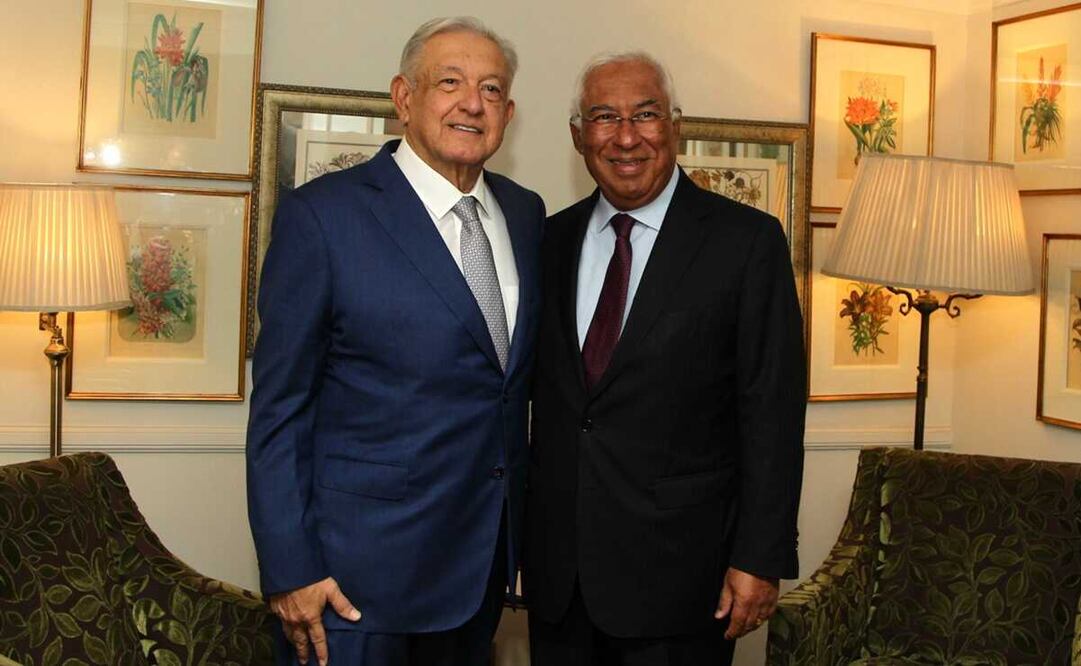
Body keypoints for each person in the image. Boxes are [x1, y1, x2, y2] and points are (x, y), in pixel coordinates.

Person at [246, 16, 545, 666]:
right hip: (352, 586)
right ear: (404, 98)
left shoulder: (525, 215)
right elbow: (279, 411)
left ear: (509, 113)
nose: (472, 103)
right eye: (450, 82)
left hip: (480, 575)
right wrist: (290, 568)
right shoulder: (323, 217)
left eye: (491, 89)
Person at [524, 51, 806, 665]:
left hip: (682, 582)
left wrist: (759, 558)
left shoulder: (746, 243)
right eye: (604, 117)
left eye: (646, 114)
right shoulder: (548, 240)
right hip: (559, 583)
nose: (626, 137)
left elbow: (773, 413)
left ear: (675, 126)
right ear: (577, 135)